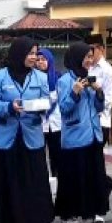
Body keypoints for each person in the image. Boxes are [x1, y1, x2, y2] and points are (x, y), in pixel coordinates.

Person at [0, 37, 54, 223]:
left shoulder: (40, 77)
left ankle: (31, 221)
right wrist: (9, 107)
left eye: (35, 54)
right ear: (19, 53)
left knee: (31, 181)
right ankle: (0, 222)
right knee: (4, 180)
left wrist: (42, 107)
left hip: (31, 135)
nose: (33, 57)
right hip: (5, 137)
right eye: (30, 53)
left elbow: (47, 102)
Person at [55, 42, 109, 223]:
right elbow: (64, 109)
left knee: (94, 176)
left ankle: (94, 211)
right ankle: (68, 216)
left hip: (93, 134)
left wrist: (99, 91)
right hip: (75, 137)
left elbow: (99, 108)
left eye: (91, 57)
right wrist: (74, 93)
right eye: (87, 57)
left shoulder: (90, 78)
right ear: (77, 58)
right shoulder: (65, 81)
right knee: (73, 178)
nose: (90, 60)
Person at [86, 34, 112, 145]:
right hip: (85, 121)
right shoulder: (86, 67)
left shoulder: (107, 70)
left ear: (101, 49)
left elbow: (108, 100)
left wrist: (97, 91)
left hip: (100, 121)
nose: (89, 53)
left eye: (92, 49)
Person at [37, 47, 62, 177]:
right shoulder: (33, 78)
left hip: (55, 123)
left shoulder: (59, 78)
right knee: (39, 157)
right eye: (38, 60)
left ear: (49, 60)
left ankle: (56, 180)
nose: (40, 62)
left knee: (56, 155)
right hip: (40, 123)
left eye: (43, 59)